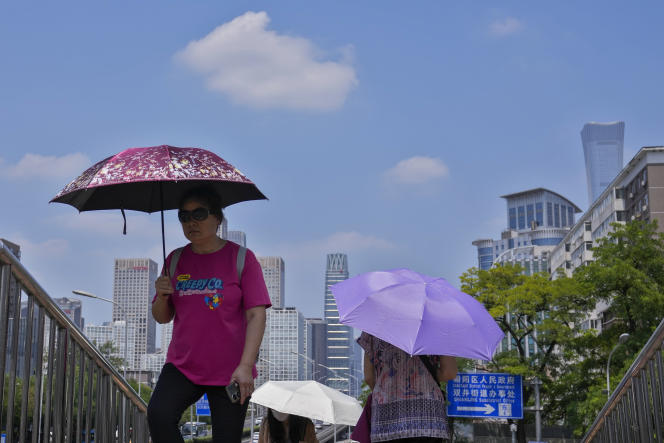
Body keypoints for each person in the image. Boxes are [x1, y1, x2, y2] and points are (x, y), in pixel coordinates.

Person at [148, 185, 271, 443]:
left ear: (217, 217)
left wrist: (246, 366)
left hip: (231, 371)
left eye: (199, 214)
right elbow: (162, 317)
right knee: (158, 415)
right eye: (184, 216)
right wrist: (161, 295)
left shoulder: (241, 259)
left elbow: (256, 316)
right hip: (183, 365)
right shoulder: (175, 259)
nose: (191, 222)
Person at [358, 332, 458, 443]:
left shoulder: (373, 328)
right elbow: (449, 372)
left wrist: (385, 389)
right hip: (428, 421)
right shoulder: (436, 326)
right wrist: (424, 378)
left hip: (385, 420)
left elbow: (369, 377)